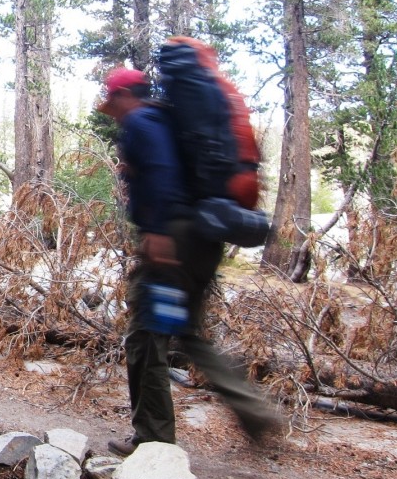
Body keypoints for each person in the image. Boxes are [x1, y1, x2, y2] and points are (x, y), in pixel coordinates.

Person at [97, 67, 279, 457]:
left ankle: (153, 437)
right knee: (189, 333)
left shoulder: (143, 123)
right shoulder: (164, 120)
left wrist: (158, 232)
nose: (112, 109)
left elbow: (161, 173)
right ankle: (254, 410)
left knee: (146, 337)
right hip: (200, 239)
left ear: (126, 94)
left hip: (173, 243)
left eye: (113, 100)